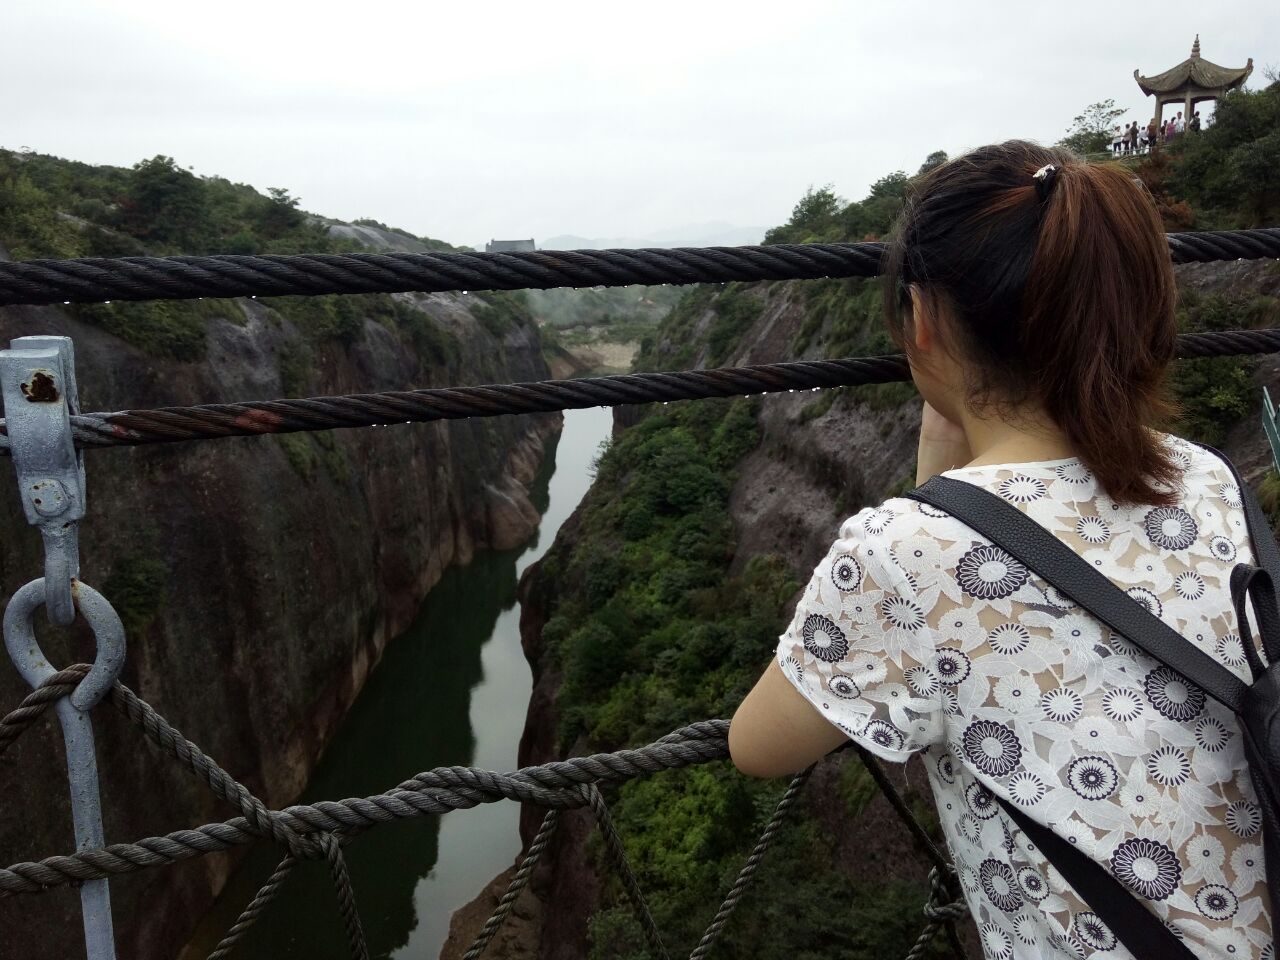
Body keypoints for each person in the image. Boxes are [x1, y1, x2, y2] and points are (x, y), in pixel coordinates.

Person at [729, 141, 1272, 959]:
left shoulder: (906, 555)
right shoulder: (1205, 474)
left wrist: (931, 490)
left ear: (920, 321)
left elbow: (755, 746)